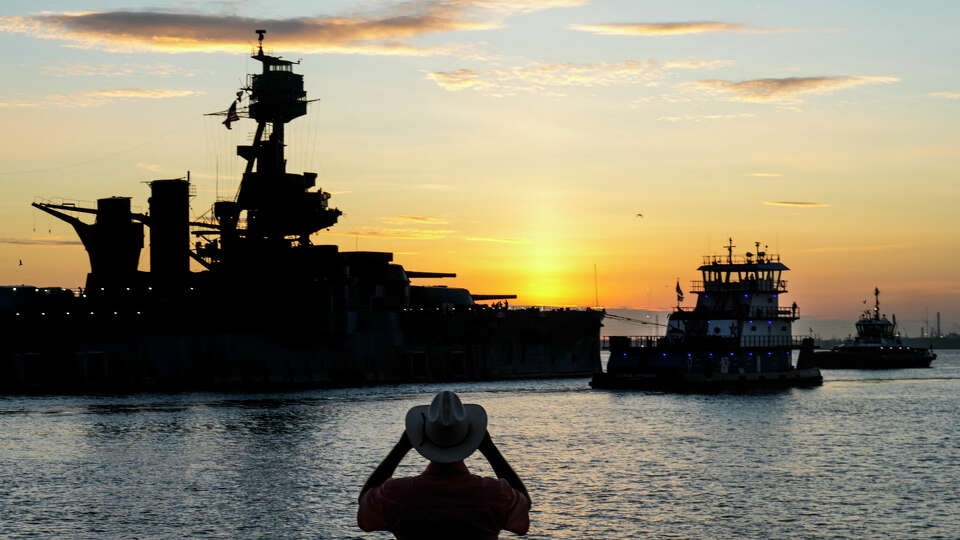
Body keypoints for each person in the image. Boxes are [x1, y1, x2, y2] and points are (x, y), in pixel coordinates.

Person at [357, 391, 531, 539]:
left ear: (418, 437)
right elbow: (524, 506)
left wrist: (400, 448)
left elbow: (364, 504)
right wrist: (490, 450)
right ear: (473, 438)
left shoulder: (396, 493)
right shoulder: (494, 493)